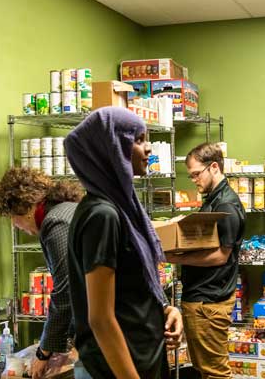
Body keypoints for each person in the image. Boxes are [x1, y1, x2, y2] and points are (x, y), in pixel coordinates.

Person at [64, 107, 183, 379]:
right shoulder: (102, 215)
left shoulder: (123, 208)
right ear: (112, 149)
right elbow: (101, 319)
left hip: (141, 357)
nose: (148, 148)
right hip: (120, 369)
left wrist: (164, 309)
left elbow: (127, 289)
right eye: (138, 140)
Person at [0, 167, 83, 379]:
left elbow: (65, 292)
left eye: (12, 216)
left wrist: (43, 352)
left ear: (26, 207)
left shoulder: (55, 222)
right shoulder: (67, 210)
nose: (14, 224)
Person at [165, 143, 246, 379]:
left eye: (196, 174)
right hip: (203, 299)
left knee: (215, 373)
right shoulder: (213, 199)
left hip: (208, 302)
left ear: (213, 167)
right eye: (190, 176)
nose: (194, 180)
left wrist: (173, 257)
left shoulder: (226, 204)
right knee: (204, 369)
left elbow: (221, 255)